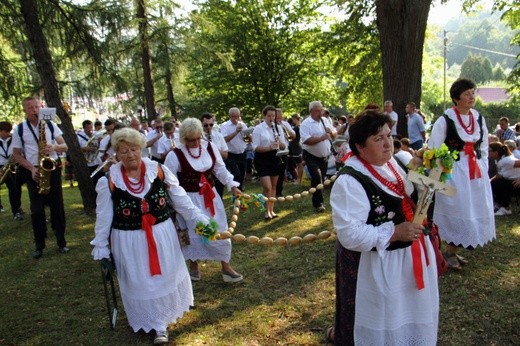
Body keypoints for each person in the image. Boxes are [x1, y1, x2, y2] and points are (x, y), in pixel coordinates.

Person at [90, 127, 209, 344]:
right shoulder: (108, 181)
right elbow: (104, 218)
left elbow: (181, 201)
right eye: (123, 151)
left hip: (162, 234)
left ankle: (161, 323)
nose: (130, 155)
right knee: (140, 281)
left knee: (164, 276)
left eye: (134, 149)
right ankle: (152, 320)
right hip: (128, 240)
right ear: (116, 154)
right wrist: (101, 245)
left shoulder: (159, 171)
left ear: (141, 149)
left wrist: (200, 220)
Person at [329, 109, 438, 345]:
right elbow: (350, 234)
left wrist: (416, 170)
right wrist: (395, 232)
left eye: (388, 135)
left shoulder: (391, 163)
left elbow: (403, 192)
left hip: (405, 258)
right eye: (378, 139)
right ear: (359, 147)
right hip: (375, 265)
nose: (388, 144)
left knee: (405, 309)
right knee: (380, 316)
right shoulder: (350, 181)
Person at [164, 118, 243, 283]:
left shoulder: (209, 147)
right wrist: (176, 202)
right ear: (184, 138)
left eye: (198, 138)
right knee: (193, 231)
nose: (195, 142)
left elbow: (220, 169)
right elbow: (169, 182)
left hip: (211, 197)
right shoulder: (175, 155)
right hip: (188, 200)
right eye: (190, 140)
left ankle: (226, 266)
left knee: (219, 227)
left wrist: (232, 184)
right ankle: (194, 265)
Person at [428, 78, 495, 270]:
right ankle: (447, 252)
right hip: (454, 172)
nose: (471, 96)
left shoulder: (478, 117)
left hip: (474, 172)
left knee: (472, 208)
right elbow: (434, 148)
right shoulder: (445, 119)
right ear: (456, 98)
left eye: (473, 92)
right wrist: (438, 175)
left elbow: (483, 145)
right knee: (456, 209)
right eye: (467, 93)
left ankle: (452, 251)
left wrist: (482, 166)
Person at [12, 97, 69, 259]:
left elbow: (64, 145)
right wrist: (30, 168)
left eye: (36, 106)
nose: (34, 110)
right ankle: (39, 244)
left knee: (57, 207)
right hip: (33, 171)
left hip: (52, 168)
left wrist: (54, 147)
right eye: (30, 108)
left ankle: (61, 242)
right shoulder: (20, 129)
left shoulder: (50, 124)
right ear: (24, 110)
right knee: (36, 210)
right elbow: (16, 154)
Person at [252, 105, 288, 219]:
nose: (271, 118)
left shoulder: (278, 128)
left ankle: (271, 210)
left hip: (275, 158)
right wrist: (269, 147)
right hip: (262, 159)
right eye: (269, 116)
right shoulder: (258, 128)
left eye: (273, 116)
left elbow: (283, 146)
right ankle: (266, 211)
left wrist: (278, 143)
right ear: (264, 116)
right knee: (267, 187)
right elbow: (255, 147)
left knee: (273, 186)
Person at [300, 101, 336, 213]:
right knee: (317, 178)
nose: (320, 113)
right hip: (311, 156)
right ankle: (318, 203)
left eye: (321, 110)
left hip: (324, 156)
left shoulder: (325, 121)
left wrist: (332, 133)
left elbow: (334, 133)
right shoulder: (306, 124)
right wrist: (321, 138)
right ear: (311, 111)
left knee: (321, 179)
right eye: (317, 110)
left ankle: (316, 199)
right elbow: (306, 140)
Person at [200, 112, 228, 198]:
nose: (209, 127)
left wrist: (214, 148)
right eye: (205, 125)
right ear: (201, 124)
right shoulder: (198, 137)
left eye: (211, 125)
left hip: (217, 169)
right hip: (204, 171)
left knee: (219, 195)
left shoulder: (219, 136)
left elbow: (225, 155)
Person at [0, 121, 24, 220]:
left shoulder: (14, 139)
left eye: (9, 131)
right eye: (6, 131)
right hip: (0, 165)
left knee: (14, 189)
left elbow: (21, 150)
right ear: (1, 131)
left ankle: (16, 210)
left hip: (12, 166)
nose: (8, 133)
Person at [220, 107, 248, 191]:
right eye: (233, 116)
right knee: (236, 174)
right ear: (229, 116)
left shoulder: (242, 125)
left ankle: (239, 193)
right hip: (231, 154)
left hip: (242, 153)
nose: (235, 118)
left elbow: (247, 139)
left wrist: (247, 135)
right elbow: (224, 139)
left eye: (237, 116)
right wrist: (236, 132)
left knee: (242, 175)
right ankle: (236, 194)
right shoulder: (225, 126)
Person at [489, 142, 520, 216]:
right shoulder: (500, 160)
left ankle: (505, 208)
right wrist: (488, 182)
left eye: (489, 151)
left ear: (496, 152)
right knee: (495, 182)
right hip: (512, 183)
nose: (488, 153)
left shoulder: (507, 160)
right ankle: (500, 205)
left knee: (499, 183)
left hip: (517, 184)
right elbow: (499, 175)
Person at [77, 119, 104, 185]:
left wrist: (101, 141)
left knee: (100, 180)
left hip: (98, 161)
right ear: (84, 128)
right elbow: (77, 150)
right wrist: (85, 149)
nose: (90, 129)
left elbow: (102, 146)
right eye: (88, 128)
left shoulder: (96, 134)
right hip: (88, 163)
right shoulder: (79, 137)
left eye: (91, 127)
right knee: (92, 182)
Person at [287, 113, 303, 184]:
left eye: (293, 119)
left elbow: (293, 137)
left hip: (296, 147)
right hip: (295, 147)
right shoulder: (297, 127)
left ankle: (299, 179)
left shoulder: (297, 127)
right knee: (297, 164)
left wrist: (286, 135)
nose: (292, 121)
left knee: (299, 164)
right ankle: (298, 179)